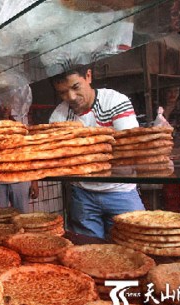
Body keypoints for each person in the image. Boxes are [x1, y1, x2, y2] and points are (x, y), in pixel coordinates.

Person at [49, 64, 145, 239]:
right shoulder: (59, 116)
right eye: (62, 92)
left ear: (88, 76)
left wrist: (78, 157)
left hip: (120, 192)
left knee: (134, 246)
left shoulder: (115, 102)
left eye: (75, 87)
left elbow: (128, 150)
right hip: (82, 194)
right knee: (87, 252)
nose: (71, 97)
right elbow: (60, 158)